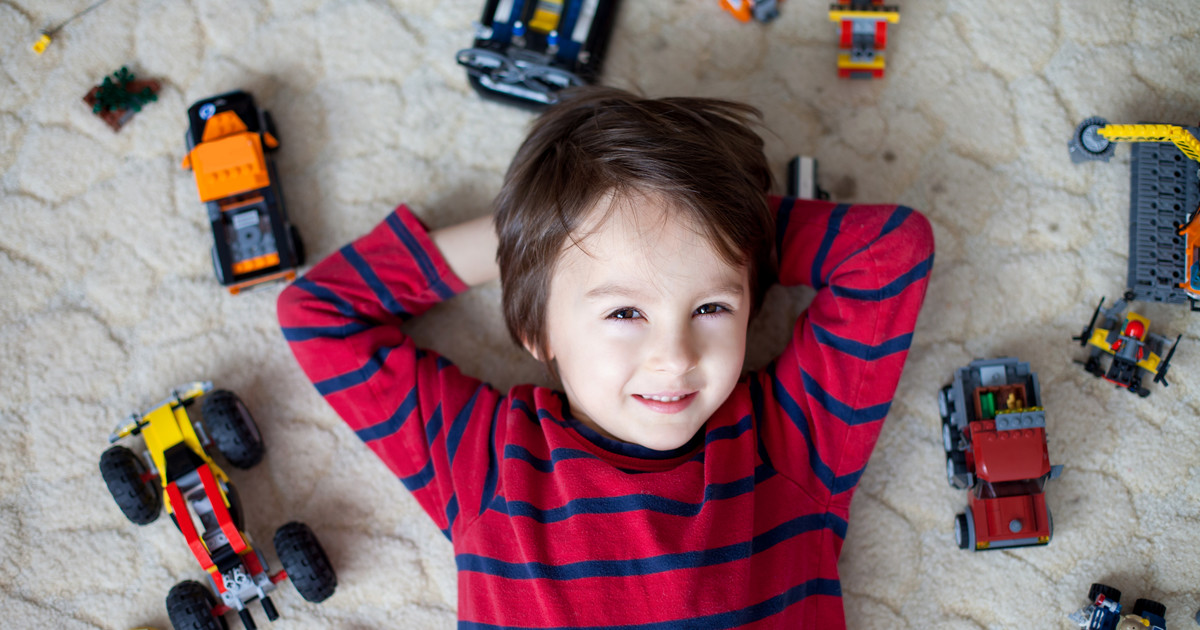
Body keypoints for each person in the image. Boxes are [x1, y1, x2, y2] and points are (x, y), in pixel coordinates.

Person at [277, 86, 934, 628]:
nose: (674, 358)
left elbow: (888, 254)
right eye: (625, 313)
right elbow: (319, 314)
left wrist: (720, 220)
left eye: (711, 308)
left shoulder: (790, 444)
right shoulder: (487, 463)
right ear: (539, 331)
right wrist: (525, 239)